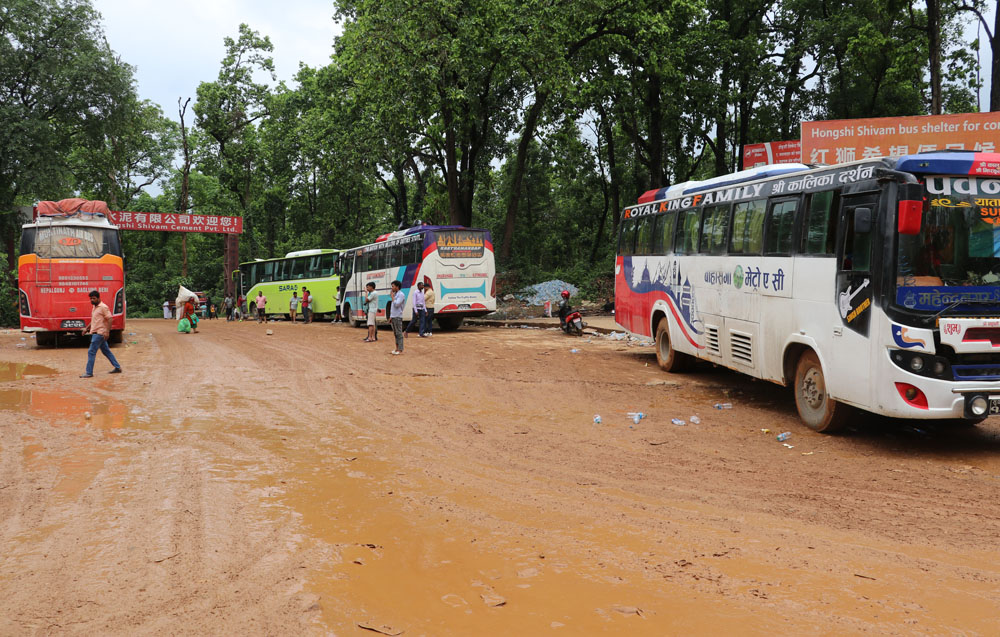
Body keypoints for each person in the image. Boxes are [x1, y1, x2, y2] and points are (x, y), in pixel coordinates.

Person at [80, 290, 121, 377]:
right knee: (106, 351)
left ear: (98, 298)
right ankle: (117, 367)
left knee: (91, 352)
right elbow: (94, 321)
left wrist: (107, 331)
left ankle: (89, 372)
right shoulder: (95, 307)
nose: (92, 300)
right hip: (96, 333)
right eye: (90, 298)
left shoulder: (103, 307)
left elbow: (110, 319)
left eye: (94, 298)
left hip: (99, 333)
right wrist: (86, 329)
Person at [389, 280, 405, 355]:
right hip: (394, 316)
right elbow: (392, 307)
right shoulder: (395, 295)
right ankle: (397, 348)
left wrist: (392, 298)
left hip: (398, 316)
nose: (392, 288)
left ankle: (400, 349)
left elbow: (397, 304)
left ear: (397, 287)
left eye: (393, 286)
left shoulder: (401, 294)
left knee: (399, 333)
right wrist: (391, 316)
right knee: (395, 333)